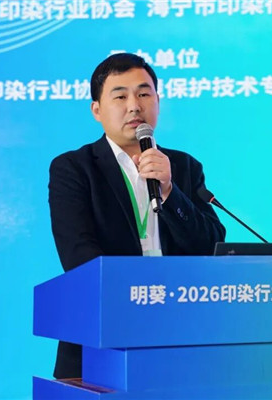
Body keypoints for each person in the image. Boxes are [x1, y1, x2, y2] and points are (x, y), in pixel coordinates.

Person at [48, 53, 226, 379]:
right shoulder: (74, 169)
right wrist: (138, 298)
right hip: (103, 337)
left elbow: (211, 244)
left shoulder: (183, 166)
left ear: (158, 101)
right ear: (97, 110)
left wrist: (170, 191)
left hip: (179, 335)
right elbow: (78, 255)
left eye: (144, 94)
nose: (134, 106)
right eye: (120, 96)